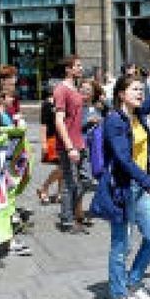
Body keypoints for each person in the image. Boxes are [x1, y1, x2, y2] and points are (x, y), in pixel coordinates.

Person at [102, 74, 150, 299]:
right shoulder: (114, 121)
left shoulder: (137, 113)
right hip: (122, 187)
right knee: (121, 244)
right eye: (135, 90)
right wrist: (149, 181)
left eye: (142, 89)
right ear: (121, 94)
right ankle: (120, 296)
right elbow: (122, 159)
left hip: (139, 186)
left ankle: (133, 280)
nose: (140, 93)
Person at [54, 56, 89, 234]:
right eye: (77, 65)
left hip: (80, 141)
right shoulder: (61, 89)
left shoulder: (75, 88)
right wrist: (69, 147)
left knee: (86, 179)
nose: (80, 68)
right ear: (68, 69)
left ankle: (72, 213)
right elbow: (59, 121)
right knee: (69, 182)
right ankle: (67, 220)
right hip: (69, 144)